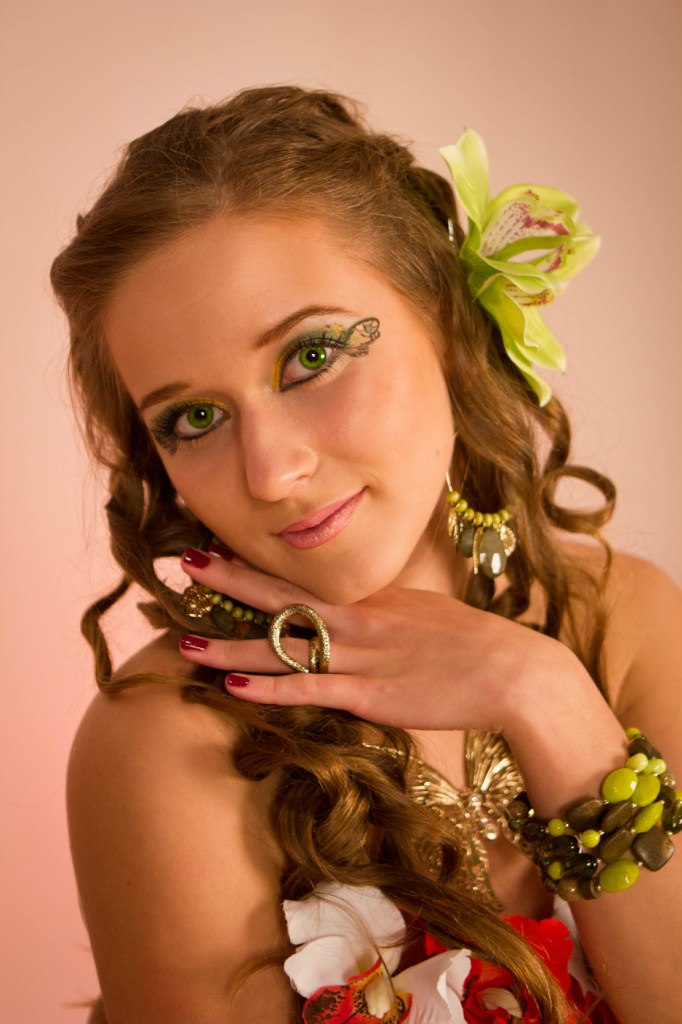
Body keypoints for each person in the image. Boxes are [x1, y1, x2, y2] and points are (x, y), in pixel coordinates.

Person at [51, 86, 682, 1024]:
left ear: (445, 319)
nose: (272, 473)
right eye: (195, 417)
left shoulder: (620, 620)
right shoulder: (165, 747)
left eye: (311, 358)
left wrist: (548, 697)